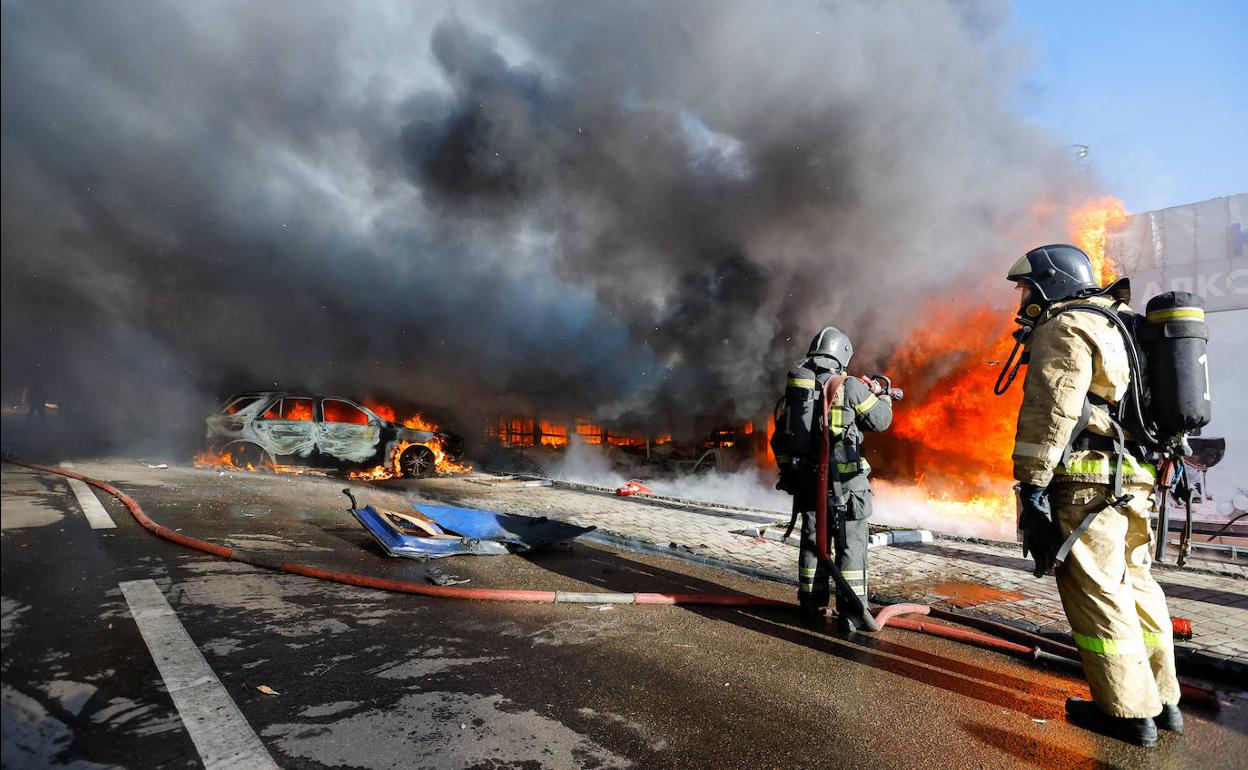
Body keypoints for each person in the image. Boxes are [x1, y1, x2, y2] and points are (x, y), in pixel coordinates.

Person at [1006, 244, 1181, 748]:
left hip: (1089, 484)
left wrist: (1033, 484)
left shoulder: (1066, 326)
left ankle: (1127, 712)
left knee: (1098, 591)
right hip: (1135, 481)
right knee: (1139, 585)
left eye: (1025, 289)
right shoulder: (1122, 325)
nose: (1022, 301)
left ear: (1050, 283)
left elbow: (1052, 409)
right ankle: (1163, 699)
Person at [771, 327, 893, 632]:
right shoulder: (849, 386)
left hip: (811, 484)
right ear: (843, 355)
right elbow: (880, 421)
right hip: (849, 486)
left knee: (814, 543)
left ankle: (812, 603)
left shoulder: (799, 389)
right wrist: (884, 396)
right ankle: (853, 612)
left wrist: (790, 476)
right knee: (851, 545)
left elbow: (779, 440)